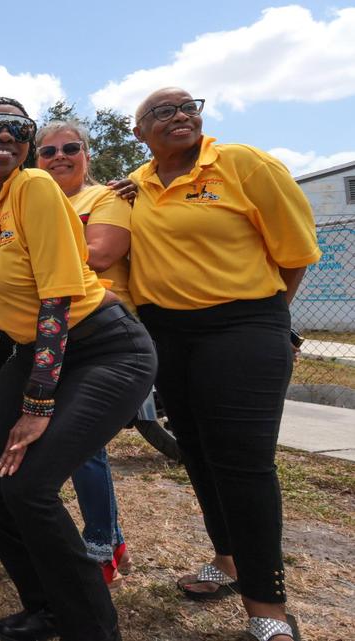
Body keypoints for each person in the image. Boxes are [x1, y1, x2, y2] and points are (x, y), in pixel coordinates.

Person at [0, 97, 157, 641]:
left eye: (20, 127)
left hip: (104, 347)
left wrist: (38, 406)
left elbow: (58, 297)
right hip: (37, 350)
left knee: (30, 485)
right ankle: (47, 607)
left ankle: (92, 627)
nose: (6, 135)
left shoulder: (34, 187)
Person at [129, 87, 319, 641]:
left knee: (243, 463)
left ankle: (269, 608)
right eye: (162, 112)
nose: (180, 116)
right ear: (139, 132)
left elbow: (295, 253)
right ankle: (229, 562)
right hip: (167, 333)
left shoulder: (242, 164)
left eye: (189, 106)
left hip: (243, 323)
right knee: (199, 454)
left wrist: (263, 320)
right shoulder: (134, 186)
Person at [35, 119, 134, 585]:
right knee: (76, 444)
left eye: (69, 148)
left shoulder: (106, 198)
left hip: (96, 333)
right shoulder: (34, 201)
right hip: (45, 333)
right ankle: (109, 539)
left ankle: (101, 543)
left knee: (82, 445)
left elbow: (100, 255)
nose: (58, 157)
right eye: (47, 151)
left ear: (86, 154)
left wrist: (36, 249)